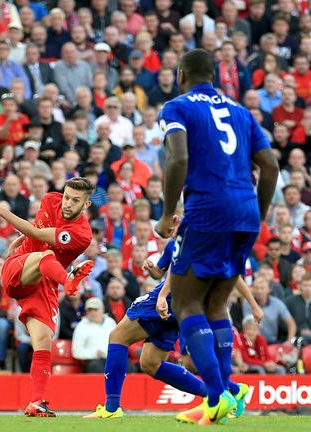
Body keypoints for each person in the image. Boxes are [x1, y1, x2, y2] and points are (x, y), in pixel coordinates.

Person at [154, 48, 279, 425]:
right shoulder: (241, 113)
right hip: (245, 213)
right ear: (215, 75)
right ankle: (225, 396)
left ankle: (217, 395)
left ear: (181, 75)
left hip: (207, 211)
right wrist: (256, 211)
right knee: (216, 304)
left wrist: (165, 214)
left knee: (185, 303)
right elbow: (270, 165)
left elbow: (178, 159)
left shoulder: (177, 108)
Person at [84, 241, 260, 419]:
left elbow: (182, 271)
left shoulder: (196, 237)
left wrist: (161, 296)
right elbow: (162, 271)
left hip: (174, 299)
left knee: (118, 337)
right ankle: (229, 392)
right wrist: (152, 269)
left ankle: (112, 408)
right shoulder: (180, 242)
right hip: (187, 304)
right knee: (152, 363)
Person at [0, 178, 95, 417]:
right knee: (46, 255)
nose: (67, 204)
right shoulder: (50, 199)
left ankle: (36, 402)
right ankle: (69, 280)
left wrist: (4, 212)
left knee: (43, 340)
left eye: (75, 201)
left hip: (44, 281)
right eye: (66, 197)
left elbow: (38, 232)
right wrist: (15, 235)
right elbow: (36, 231)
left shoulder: (82, 234)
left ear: (87, 205)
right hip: (19, 269)